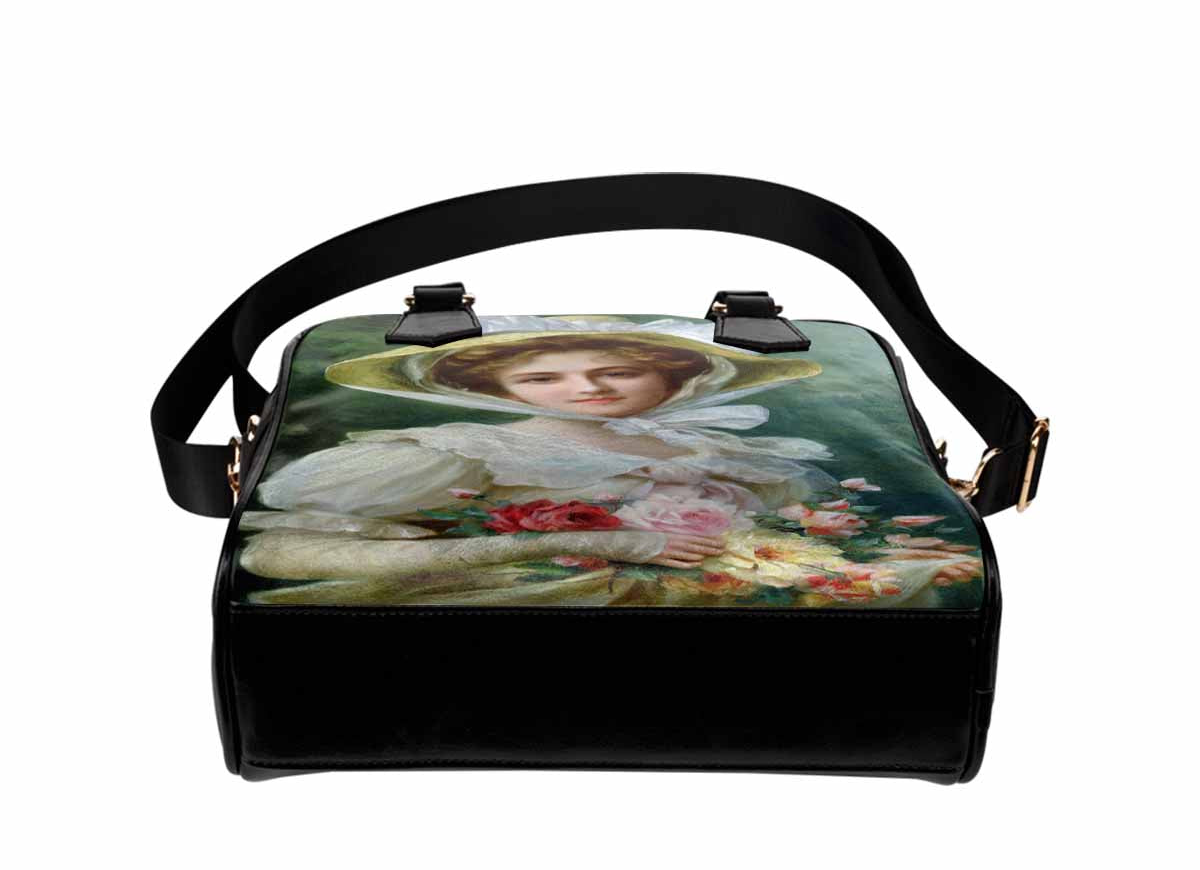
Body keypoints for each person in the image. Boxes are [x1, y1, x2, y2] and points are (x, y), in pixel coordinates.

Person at [238, 322, 980, 607]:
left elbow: (787, 537)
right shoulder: (453, 452)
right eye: (542, 378)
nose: (587, 388)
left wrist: (875, 553)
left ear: (674, 380)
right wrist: (605, 541)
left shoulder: (736, 452)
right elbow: (281, 552)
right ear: (497, 391)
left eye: (619, 370)